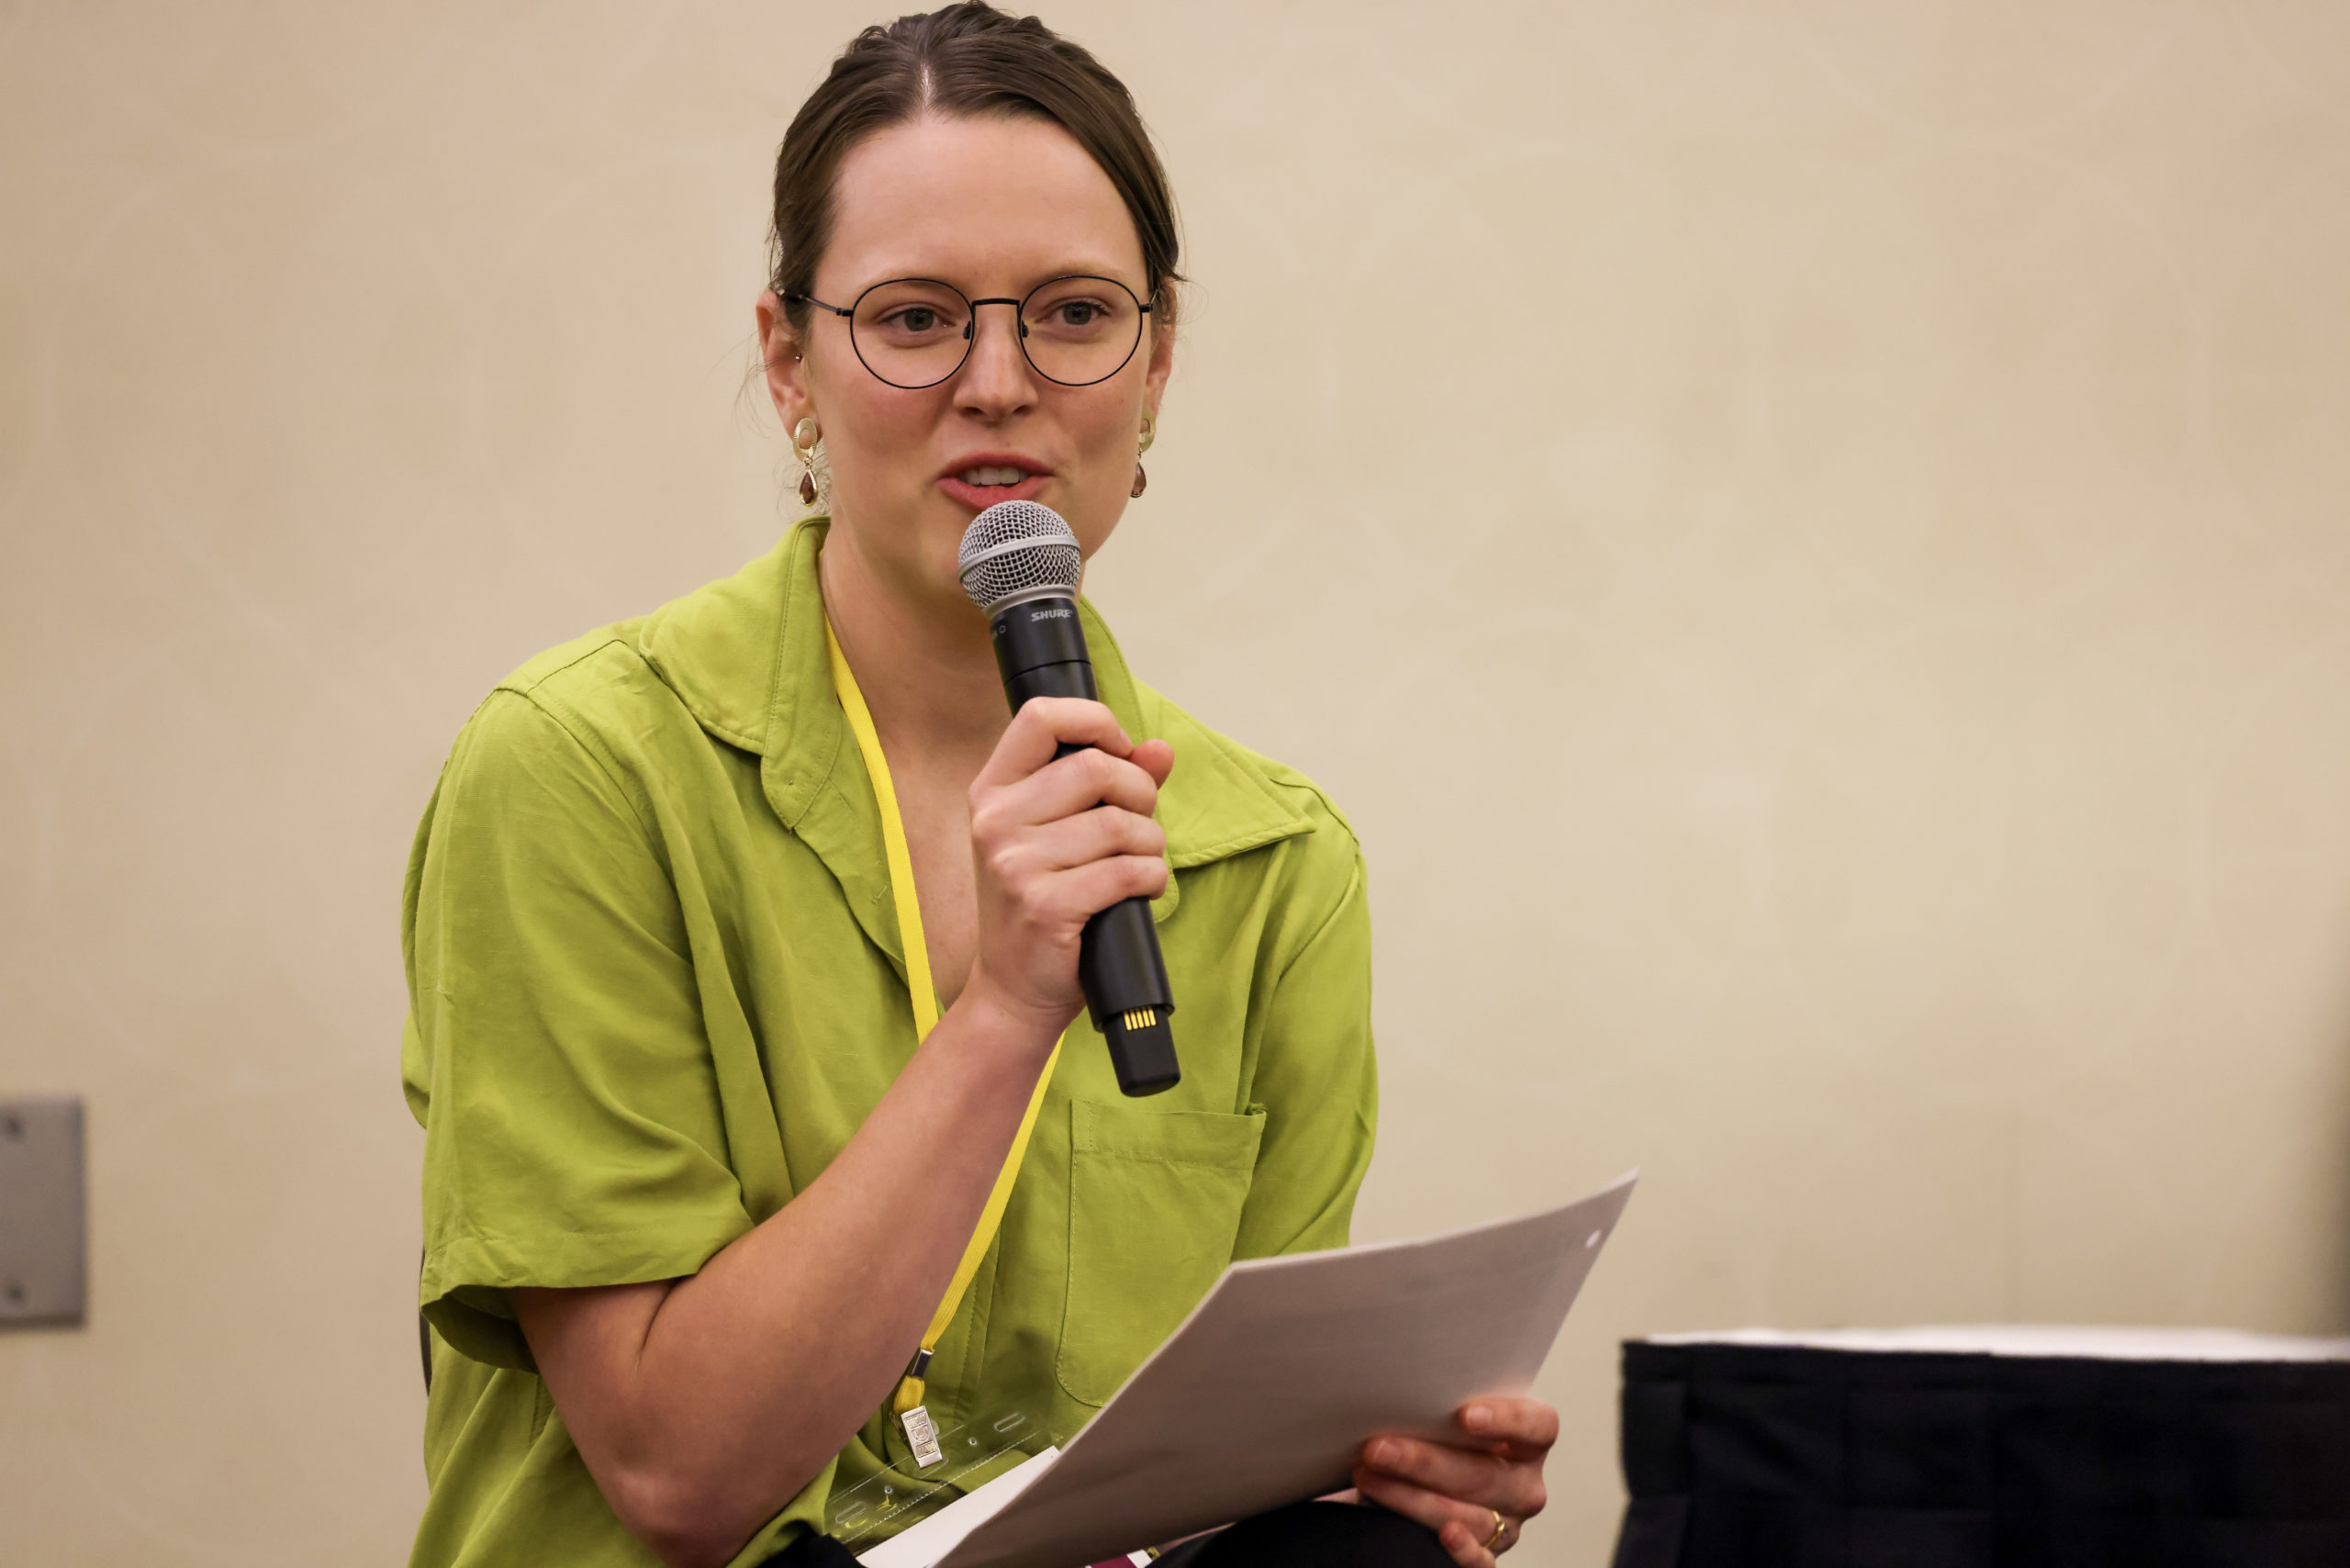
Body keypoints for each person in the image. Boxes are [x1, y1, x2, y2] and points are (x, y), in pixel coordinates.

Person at [400, 7, 1556, 1566]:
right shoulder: (580, 766)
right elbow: (678, 1476)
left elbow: (1223, 1466)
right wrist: (1008, 1010)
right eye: (917, 318)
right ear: (789, 361)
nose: (1000, 383)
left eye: (1074, 315)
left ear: (1156, 366)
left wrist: (1378, 1480)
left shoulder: (1274, 859)